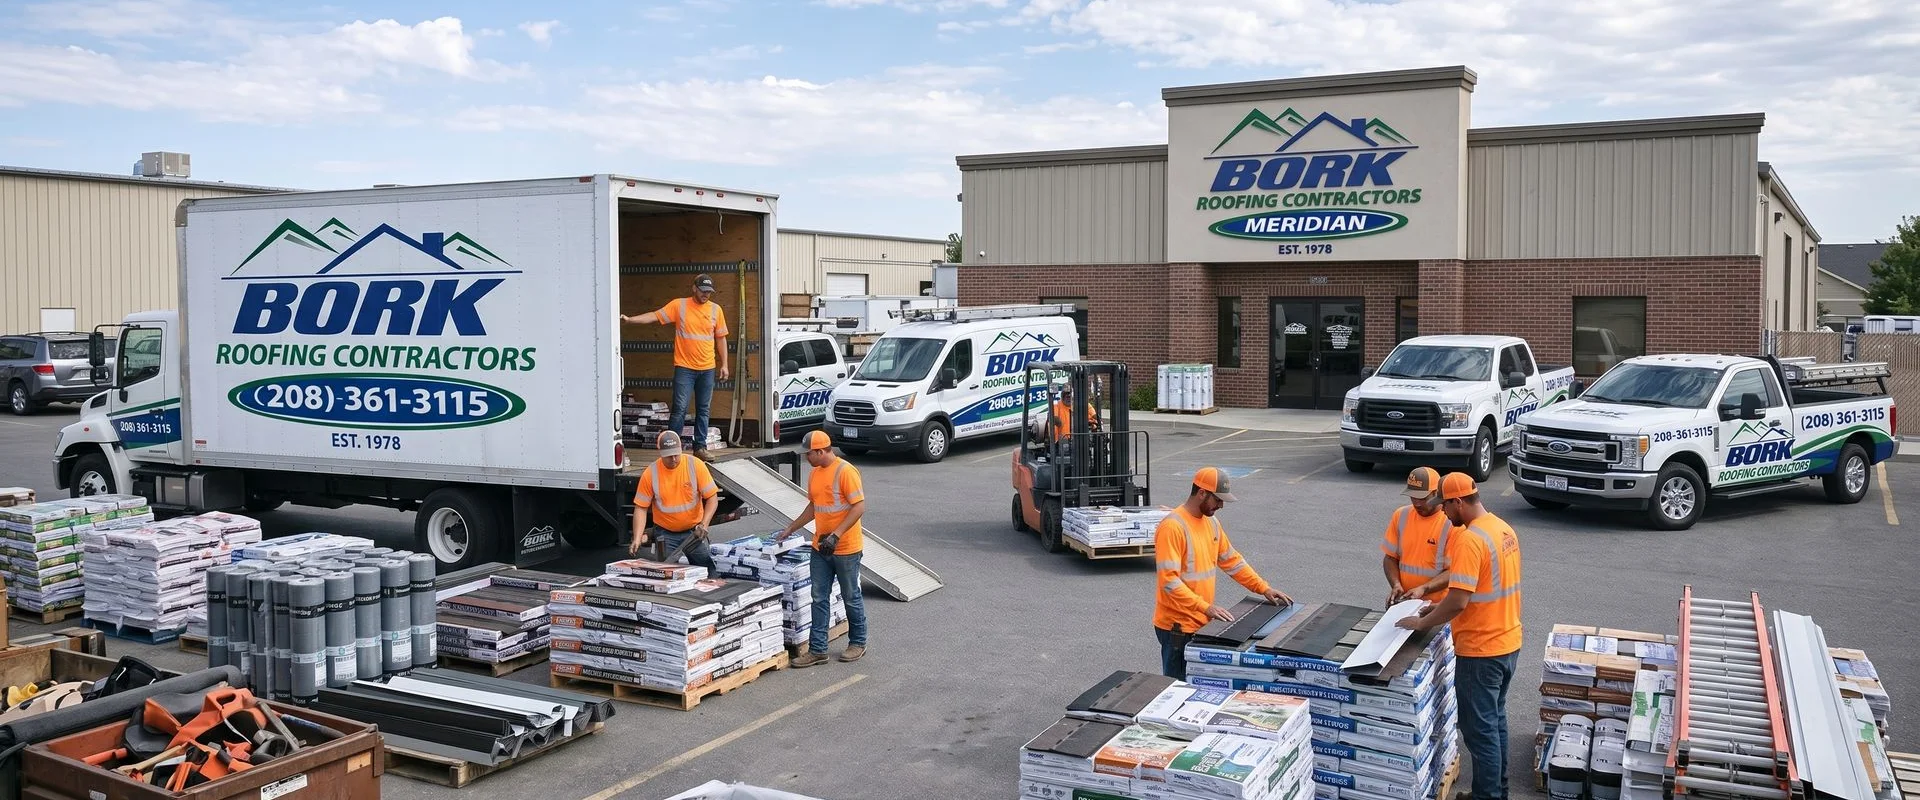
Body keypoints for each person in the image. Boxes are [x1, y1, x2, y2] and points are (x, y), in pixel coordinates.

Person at [1396, 472, 1524, 800]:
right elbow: (1476, 583)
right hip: (1508, 642)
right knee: (1494, 722)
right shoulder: (1502, 529)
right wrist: (1432, 606)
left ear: (1458, 502)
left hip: (1481, 649)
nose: (1443, 512)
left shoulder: (1469, 538)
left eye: (1445, 506)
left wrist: (1422, 623)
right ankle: (1496, 791)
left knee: (1480, 732)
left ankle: (1487, 796)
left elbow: (1458, 601)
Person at [1152, 467, 1292, 681]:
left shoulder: (1211, 522)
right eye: (1217, 499)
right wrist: (1206, 607)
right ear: (1202, 493)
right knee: (1178, 688)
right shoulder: (1173, 527)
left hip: (1201, 621)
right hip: (1177, 628)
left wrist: (1263, 588)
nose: (1221, 505)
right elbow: (1169, 582)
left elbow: (1232, 561)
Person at [777, 431, 869, 667]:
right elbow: (814, 507)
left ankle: (858, 643)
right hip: (821, 548)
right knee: (818, 598)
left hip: (846, 549)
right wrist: (791, 528)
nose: (806, 457)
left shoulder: (845, 471)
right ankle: (818, 650)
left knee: (851, 596)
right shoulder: (815, 473)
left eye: (809, 453)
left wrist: (836, 535)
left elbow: (859, 507)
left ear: (820, 451)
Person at [623, 274, 730, 458]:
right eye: (703, 291)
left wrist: (725, 364)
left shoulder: (716, 310)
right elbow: (655, 316)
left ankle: (700, 448)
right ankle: (671, 448)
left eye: (709, 292)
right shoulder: (679, 306)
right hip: (685, 368)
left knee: (703, 409)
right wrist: (630, 320)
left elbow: (721, 338)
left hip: (707, 368)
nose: (706, 295)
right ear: (694, 288)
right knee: (680, 408)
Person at [629, 430, 719, 572]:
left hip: (693, 532)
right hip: (666, 533)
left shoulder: (695, 465)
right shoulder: (651, 473)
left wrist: (704, 524)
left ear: (681, 449)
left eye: (676, 454)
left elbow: (712, 499)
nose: (674, 459)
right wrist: (637, 537)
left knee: (708, 571)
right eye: (669, 456)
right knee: (666, 573)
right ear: (660, 453)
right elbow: (641, 508)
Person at [1381, 467, 1454, 607]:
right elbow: (1390, 558)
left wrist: (1423, 589)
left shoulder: (1451, 523)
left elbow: (1454, 572)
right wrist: (1396, 584)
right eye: (1413, 497)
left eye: (1423, 498)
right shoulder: (1401, 515)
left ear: (1436, 494)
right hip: (1406, 603)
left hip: (1436, 607)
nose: (1417, 503)